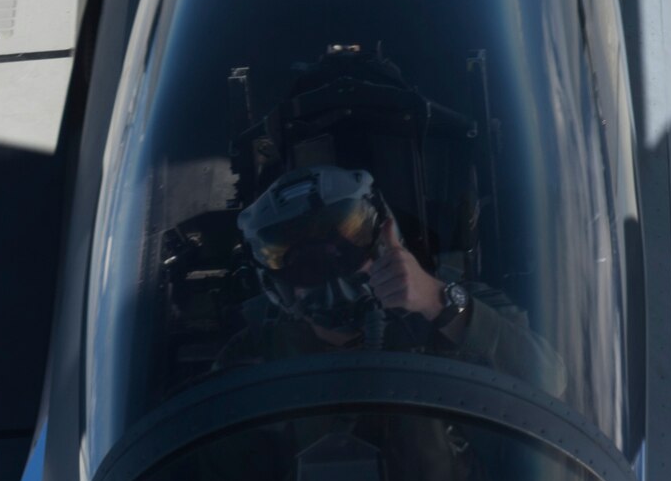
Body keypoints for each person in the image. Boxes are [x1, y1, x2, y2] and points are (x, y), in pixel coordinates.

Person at [223, 165, 567, 398]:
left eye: (348, 248)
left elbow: (549, 380)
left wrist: (437, 301)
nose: (336, 276)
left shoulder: (451, 304)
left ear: (387, 239)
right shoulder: (251, 355)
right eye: (306, 266)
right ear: (277, 286)